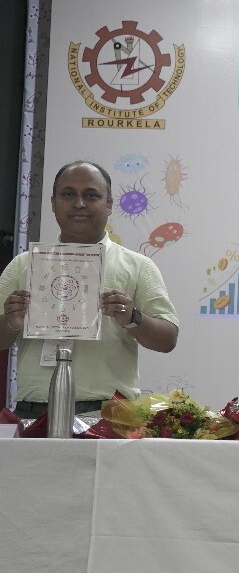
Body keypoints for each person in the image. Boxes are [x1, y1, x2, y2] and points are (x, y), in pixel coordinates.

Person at [0, 160, 179, 418]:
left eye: (91, 195)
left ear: (109, 204)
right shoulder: (24, 265)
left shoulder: (138, 266)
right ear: (53, 203)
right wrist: (11, 322)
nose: (79, 204)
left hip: (108, 416)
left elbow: (168, 339)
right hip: (33, 412)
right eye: (68, 194)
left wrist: (132, 318)